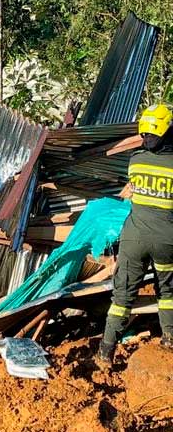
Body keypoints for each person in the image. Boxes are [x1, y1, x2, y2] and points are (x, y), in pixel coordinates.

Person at [98, 103, 173, 366]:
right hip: (167, 240)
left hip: (133, 238)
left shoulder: (136, 161)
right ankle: (169, 338)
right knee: (167, 289)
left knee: (122, 296)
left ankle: (106, 351)